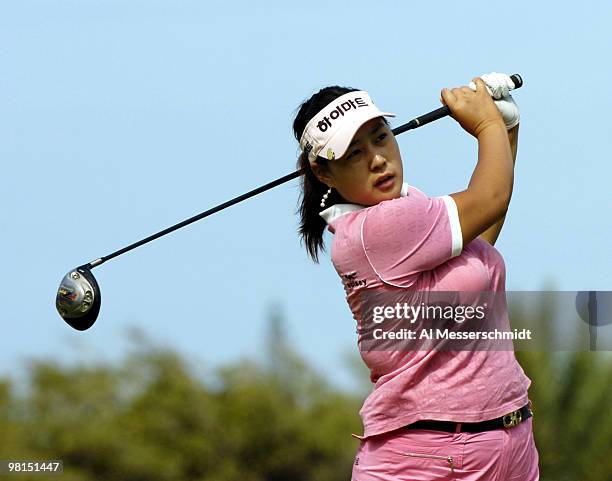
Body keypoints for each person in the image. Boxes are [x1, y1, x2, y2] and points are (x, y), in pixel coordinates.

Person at [292, 74, 540, 480]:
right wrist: (487, 126)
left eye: (379, 137)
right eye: (353, 153)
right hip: (429, 457)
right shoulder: (376, 230)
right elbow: (489, 197)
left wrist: (506, 133)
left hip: (507, 443)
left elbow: (481, 239)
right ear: (324, 173)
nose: (376, 158)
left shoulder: (413, 208)